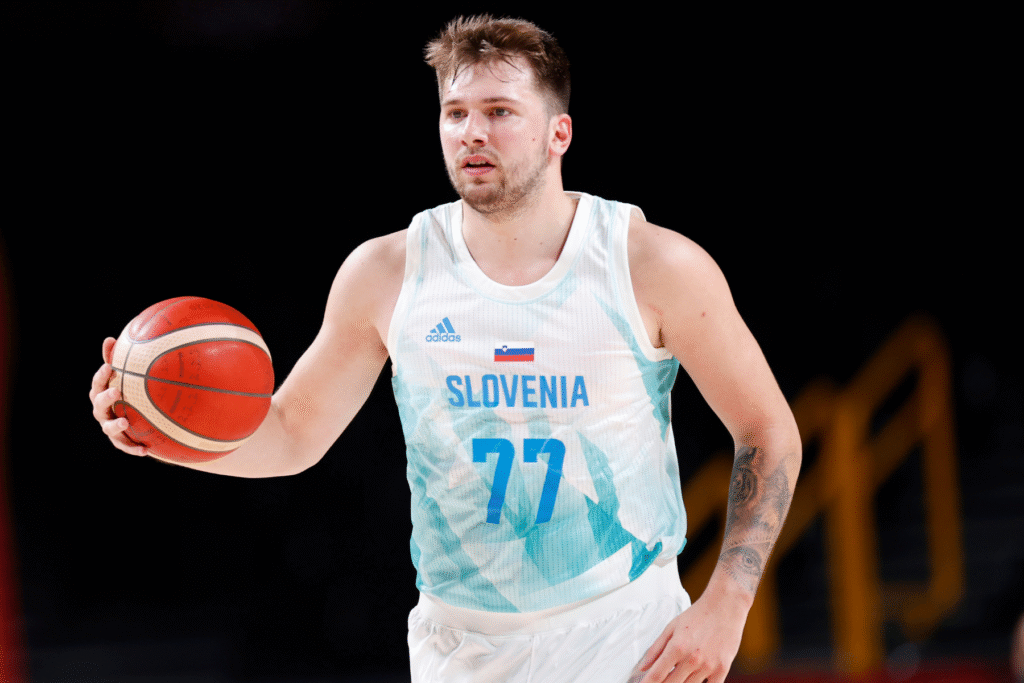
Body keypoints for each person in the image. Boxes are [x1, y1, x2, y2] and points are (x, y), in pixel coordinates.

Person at [89, 15, 801, 683]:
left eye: (499, 111)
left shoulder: (651, 264)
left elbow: (768, 430)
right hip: (461, 647)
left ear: (560, 133)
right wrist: (159, 432)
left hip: (628, 636)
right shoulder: (386, 272)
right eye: (455, 113)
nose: (471, 133)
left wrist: (728, 602)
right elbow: (291, 431)